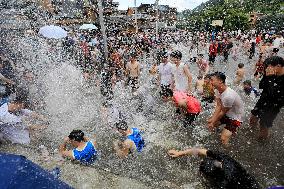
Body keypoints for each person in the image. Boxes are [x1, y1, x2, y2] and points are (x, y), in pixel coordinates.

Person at [167, 148, 260, 189]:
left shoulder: (222, 185)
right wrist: (180, 153)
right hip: (248, 181)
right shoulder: (223, 158)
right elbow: (200, 151)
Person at [250, 56, 284, 139]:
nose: (267, 68)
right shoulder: (270, 73)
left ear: (278, 66)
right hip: (263, 99)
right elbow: (261, 86)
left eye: (269, 66)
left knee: (263, 125)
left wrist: (270, 78)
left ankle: (262, 142)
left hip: (274, 105)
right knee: (253, 118)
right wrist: (266, 76)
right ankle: (250, 133)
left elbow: (274, 95)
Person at [208, 72, 244, 146]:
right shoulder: (217, 90)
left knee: (223, 138)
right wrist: (212, 121)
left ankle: (226, 152)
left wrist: (213, 121)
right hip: (227, 112)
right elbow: (218, 106)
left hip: (236, 117)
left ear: (220, 81)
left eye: (212, 80)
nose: (210, 82)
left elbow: (223, 112)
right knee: (210, 122)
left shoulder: (228, 95)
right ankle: (227, 132)